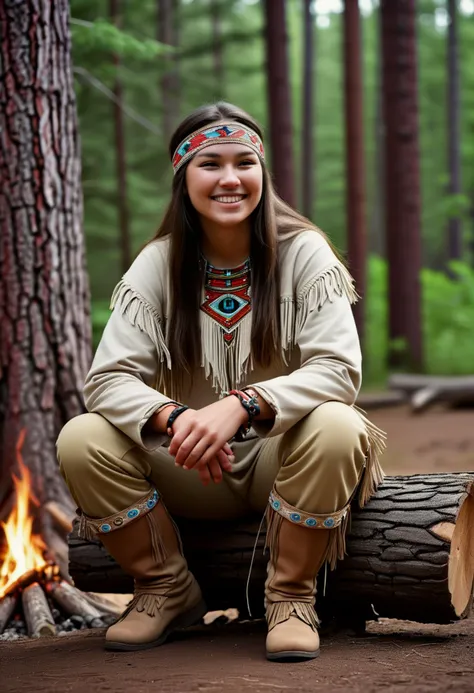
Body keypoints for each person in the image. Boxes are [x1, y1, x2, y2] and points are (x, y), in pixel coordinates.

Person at [56, 102, 386, 662]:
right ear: (184, 179)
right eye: (210, 164)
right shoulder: (157, 265)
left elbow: (338, 370)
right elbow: (108, 378)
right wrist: (179, 419)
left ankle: (291, 597)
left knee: (338, 423)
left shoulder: (305, 253)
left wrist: (241, 405)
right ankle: (165, 588)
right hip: (186, 464)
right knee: (81, 438)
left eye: (245, 163)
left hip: (280, 462)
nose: (230, 179)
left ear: (263, 173)